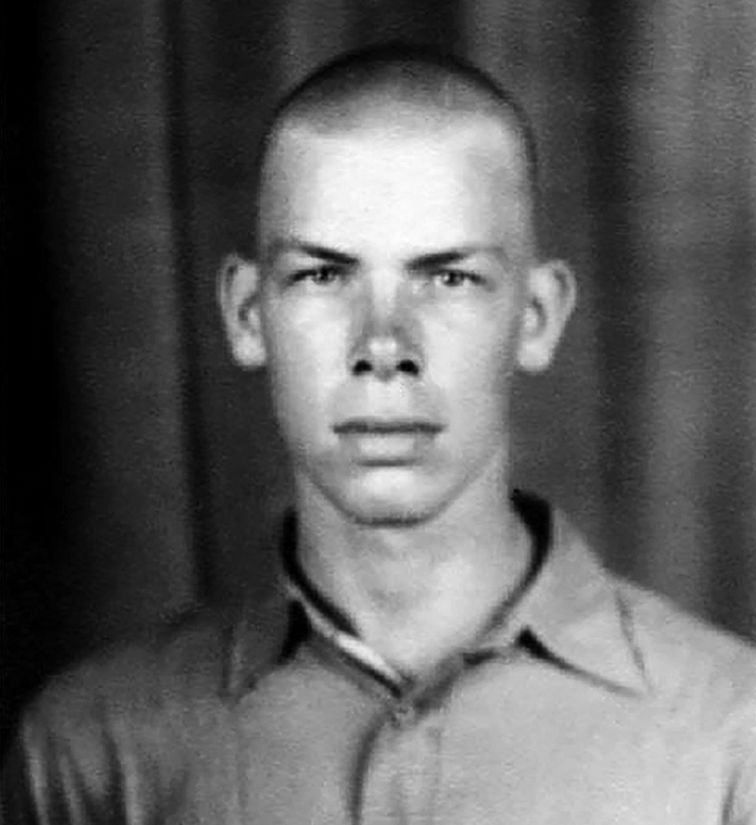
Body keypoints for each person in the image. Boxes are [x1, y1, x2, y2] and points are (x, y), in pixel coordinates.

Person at [2, 43, 755, 824]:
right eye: (324, 275)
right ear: (247, 313)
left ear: (536, 317)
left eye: (448, 277)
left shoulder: (731, 742)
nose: (384, 345)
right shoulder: (89, 751)